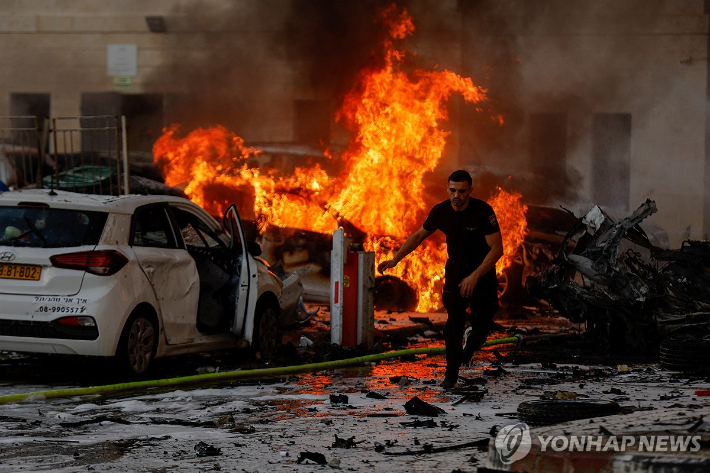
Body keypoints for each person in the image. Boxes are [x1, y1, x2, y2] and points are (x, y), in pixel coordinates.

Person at [378, 170, 504, 389]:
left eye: (462, 191)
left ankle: (472, 344)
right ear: (447, 188)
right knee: (453, 325)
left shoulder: (483, 212)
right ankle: (451, 376)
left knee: (482, 326)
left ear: (470, 191)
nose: (457, 195)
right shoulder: (441, 211)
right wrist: (395, 259)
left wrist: (474, 277)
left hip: (482, 274)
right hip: (456, 271)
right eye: (453, 190)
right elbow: (418, 235)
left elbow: (497, 250)